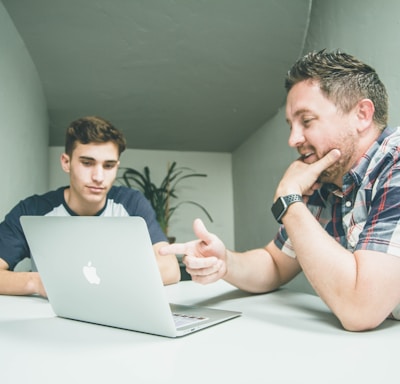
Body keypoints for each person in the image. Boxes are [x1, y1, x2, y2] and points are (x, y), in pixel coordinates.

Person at [160, 50, 400, 332]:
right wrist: (225, 262)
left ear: (361, 115)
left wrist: (289, 199)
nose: (293, 139)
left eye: (307, 121)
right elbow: (275, 263)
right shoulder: (327, 179)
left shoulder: (394, 164)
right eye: (291, 125)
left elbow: (361, 310)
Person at [0, 115, 180, 297]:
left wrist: (98, 278)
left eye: (108, 166)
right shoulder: (32, 211)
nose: (98, 177)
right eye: (87, 163)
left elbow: (170, 269)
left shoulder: (131, 203)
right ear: (66, 162)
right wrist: (38, 282)